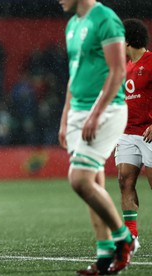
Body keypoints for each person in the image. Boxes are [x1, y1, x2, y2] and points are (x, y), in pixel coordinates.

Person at [57, 0, 135, 275]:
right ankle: (104, 256)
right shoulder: (73, 24)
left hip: (106, 109)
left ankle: (123, 237)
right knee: (94, 181)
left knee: (79, 179)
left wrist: (95, 114)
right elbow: (74, 74)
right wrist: (66, 116)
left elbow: (118, 71)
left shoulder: (106, 19)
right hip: (78, 112)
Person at [115, 18, 152, 250]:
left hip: (149, 132)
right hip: (128, 133)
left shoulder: (151, 62)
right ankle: (131, 237)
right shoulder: (126, 67)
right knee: (124, 180)